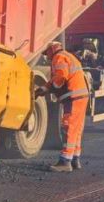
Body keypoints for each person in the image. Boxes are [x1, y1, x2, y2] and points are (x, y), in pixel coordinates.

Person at [38, 40, 90, 172]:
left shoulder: (59, 57)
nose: (47, 57)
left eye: (47, 54)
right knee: (77, 129)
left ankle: (65, 161)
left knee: (69, 127)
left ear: (51, 50)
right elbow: (56, 78)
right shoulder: (68, 56)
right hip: (81, 95)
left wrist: (52, 89)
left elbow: (60, 77)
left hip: (73, 96)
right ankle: (75, 159)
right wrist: (44, 89)